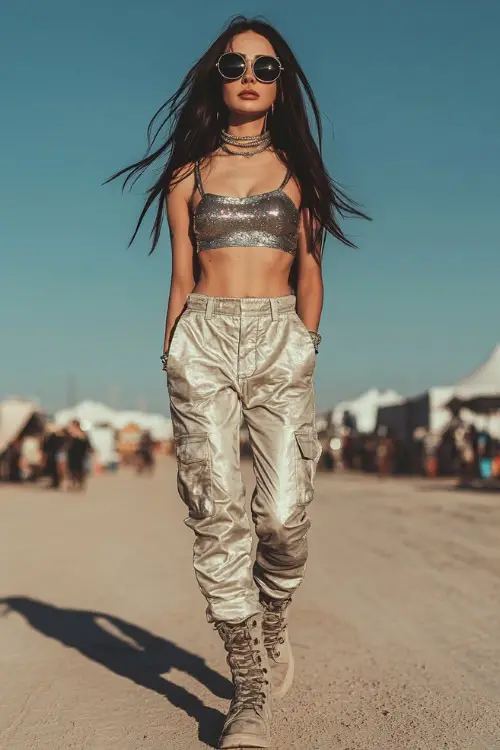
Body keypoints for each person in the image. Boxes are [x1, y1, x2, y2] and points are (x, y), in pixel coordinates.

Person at [108, 16, 368, 749]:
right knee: (215, 506)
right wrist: (175, 353)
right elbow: (180, 278)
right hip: (204, 338)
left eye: (265, 66)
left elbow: (311, 270)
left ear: (282, 85)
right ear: (215, 79)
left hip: (280, 338)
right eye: (234, 65)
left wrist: (304, 342)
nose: (249, 75)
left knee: (283, 514)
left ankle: (273, 613)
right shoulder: (188, 176)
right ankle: (247, 686)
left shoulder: (296, 173)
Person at [66, 420, 93, 491]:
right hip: (72, 455)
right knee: (72, 470)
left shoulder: (83, 435)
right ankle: (73, 484)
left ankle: (80, 484)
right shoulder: (69, 435)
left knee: (80, 470)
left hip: (81, 456)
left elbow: (89, 446)